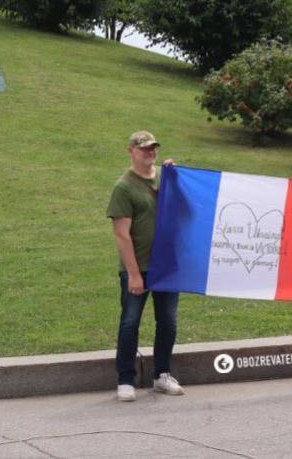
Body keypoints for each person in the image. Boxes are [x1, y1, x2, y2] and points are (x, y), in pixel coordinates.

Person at [107, 130, 185, 402]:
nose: (150, 152)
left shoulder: (167, 178)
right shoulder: (124, 187)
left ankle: (162, 374)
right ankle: (125, 379)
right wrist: (133, 274)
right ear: (131, 151)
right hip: (138, 266)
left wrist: (177, 178)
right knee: (130, 323)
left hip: (166, 266)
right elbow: (121, 234)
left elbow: (186, 210)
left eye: (153, 148)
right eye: (144, 148)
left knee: (168, 322)